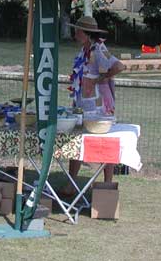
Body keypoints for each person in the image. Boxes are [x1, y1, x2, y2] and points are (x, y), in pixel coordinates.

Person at [61, 16, 125, 197]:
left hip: (99, 107)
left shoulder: (98, 50)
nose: (75, 34)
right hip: (83, 105)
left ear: (86, 33)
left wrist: (100, 79)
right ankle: (71, 183)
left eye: (77, 31)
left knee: (105, 143)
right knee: (76, 140)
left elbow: (119, 66)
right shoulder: (83, 52)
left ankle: (107, 185)